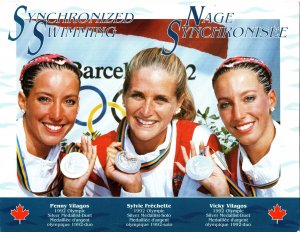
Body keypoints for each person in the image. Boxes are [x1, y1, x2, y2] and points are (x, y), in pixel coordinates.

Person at [85, 47, 229, 197]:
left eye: (160, 99)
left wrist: (222, 197)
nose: (146, 111)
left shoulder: (199, 141)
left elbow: (208, 218)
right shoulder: (98, 154)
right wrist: (132, 188)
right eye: (138, 96)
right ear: (124, 97)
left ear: (179, 103)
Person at [212, 56, 299, 197]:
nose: (238, 115)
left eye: (249, 98)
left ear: (271, 100)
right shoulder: (223, 172)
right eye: (225, 104)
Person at [16, 54, 96, 197]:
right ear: (23, 101)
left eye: (69, 101)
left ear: (78, 106)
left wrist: (72, 193)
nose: (57, 115)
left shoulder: (66, 163)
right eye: (44, 99)